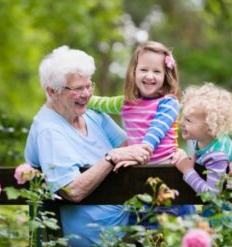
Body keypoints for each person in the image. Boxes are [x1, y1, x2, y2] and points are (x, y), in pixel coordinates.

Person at [24, 45, 151, 247]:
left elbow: (131, 146)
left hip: (130, 228)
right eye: (77, 89)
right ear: (52, 91)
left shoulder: (92, 114)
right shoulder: (49, 130)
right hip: (95, 239)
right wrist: (110, 158)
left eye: (88, 86)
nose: (87, 94)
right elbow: (72, 190)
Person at [88, 41, 195, 225]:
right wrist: (81, 97)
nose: (149, 76)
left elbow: (154, 133)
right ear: (134, 72)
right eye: (144, 69)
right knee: (140, 231)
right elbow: (99, 103)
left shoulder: (169, 103)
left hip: (166, 180)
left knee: (168, 233)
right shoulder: (126, 103)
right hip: (138, 182)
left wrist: (140, 152)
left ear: (166, 75)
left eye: (157, 71)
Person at [174, 82, 232, 232]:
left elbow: (212, 195)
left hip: (226, 222)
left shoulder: (217, 154)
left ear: (211, 127)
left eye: (188, 120)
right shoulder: (204, 139)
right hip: (216, 215)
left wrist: (187, 171)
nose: (181, 123)